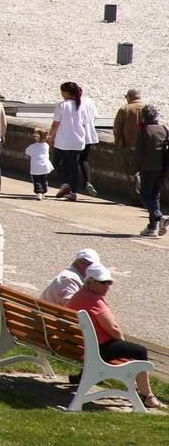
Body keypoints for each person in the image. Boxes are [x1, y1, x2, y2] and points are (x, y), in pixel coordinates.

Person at [65, 264, 164, 409]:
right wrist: (121, 341)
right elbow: (114, 330)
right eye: (102, 282)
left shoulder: (80, 295)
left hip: (78, 345)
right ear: (90, 282)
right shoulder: (95, 301)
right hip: (96, 349)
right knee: (139, 351)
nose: (107, 286)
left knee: (119, 346)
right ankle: (146, 396)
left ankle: (81, 377)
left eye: (109, 282)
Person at [131, 104, 167, 237]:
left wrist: (132, 170)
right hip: (162, 168)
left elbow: (138, 153)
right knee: (155, 196)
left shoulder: (144, 130)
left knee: (145, 195)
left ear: (143, 116)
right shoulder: (164, 129)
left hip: (148, 168)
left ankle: (160, 217)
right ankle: (152, 228)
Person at [49, 81, 88, 201]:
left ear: (66, 92)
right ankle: (73, 191)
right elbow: (85, 123)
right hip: (77, 140)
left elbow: (55, 124)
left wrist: (51, 137)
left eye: (62, 92)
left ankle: (65, 183)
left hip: (63, 140)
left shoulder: (62, 105)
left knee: (56, 161)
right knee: (73, 166)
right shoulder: (81, 105)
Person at [79, 88, 101, 196]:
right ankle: (87, 181)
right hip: (89, 135)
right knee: (84, 160)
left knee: (71, 160)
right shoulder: (89, 101)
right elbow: (95, 117)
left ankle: (71, 185)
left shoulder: (74, 103)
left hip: (77, 136)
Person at [112, 89, 146, 153]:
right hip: (144, 146)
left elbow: (117, 128)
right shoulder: (148, 108)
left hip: (128, 146)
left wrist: (117, 142)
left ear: (130, 96)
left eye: (126, 97)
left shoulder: (124, 109)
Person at [26, 128, 53, 200]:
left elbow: (27, 151)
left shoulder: (33, 146)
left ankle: (39, 193)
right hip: (45, 166)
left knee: (37, 181)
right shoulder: (46, 146)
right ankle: (44, 191)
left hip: (36, 167)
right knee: (43, 179)